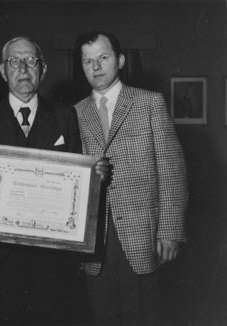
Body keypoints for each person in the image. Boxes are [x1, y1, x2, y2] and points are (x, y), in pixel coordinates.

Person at [0, 36, 108, 324]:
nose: (24, 69)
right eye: (15, 62)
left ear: (44, 69)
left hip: (52, 261)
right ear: (4, 71)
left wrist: (93, 177)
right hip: (1, 256)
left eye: (31, 61)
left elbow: (77, 177)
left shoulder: (66, 116)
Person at [74, 30, 188, 325]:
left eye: (103, 57)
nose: (96, 67)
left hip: (142, 235)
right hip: (93, 241)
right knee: (103, 315)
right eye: (88, 61)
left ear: (120, 60)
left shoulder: (150, 103)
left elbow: (172, 171)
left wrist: (170, 230)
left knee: (145, 315)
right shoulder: (73, 113)